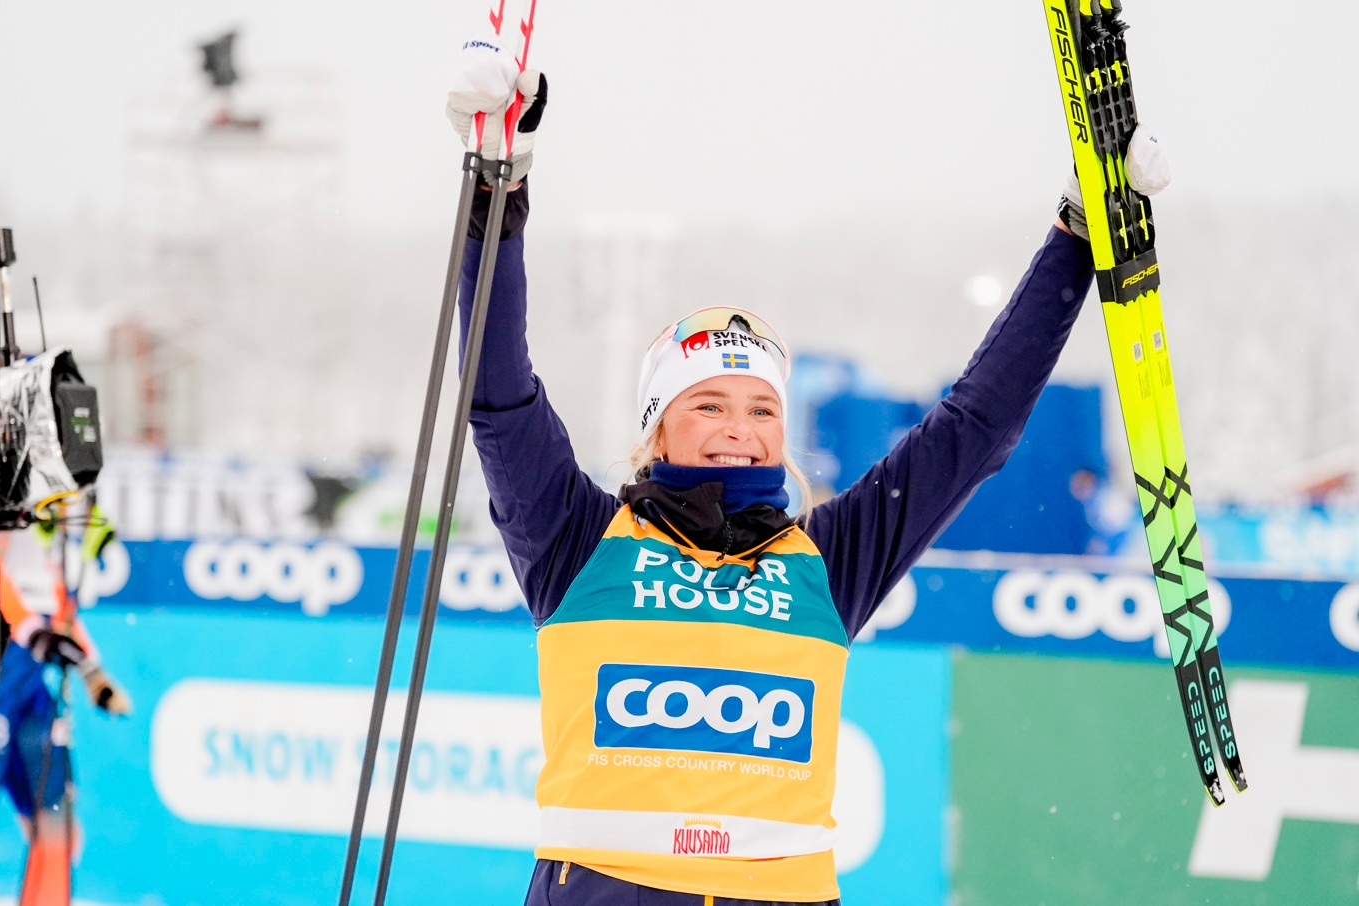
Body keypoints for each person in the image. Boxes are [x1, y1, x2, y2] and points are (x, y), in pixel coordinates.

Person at [443, 34, 1167, 906]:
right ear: (656, 429)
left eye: (762, 410)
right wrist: (496, 191)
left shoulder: (826, 560)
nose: (738, 431)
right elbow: (499, 395)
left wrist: (1078, 235)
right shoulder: (577, 540)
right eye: (709, 405)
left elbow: (975, 428)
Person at [0, 508, 131, 904]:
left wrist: (94, 675)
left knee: (57, 824)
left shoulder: (49, 533)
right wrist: (32, 630)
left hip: (31, 700)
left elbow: (59, 613)